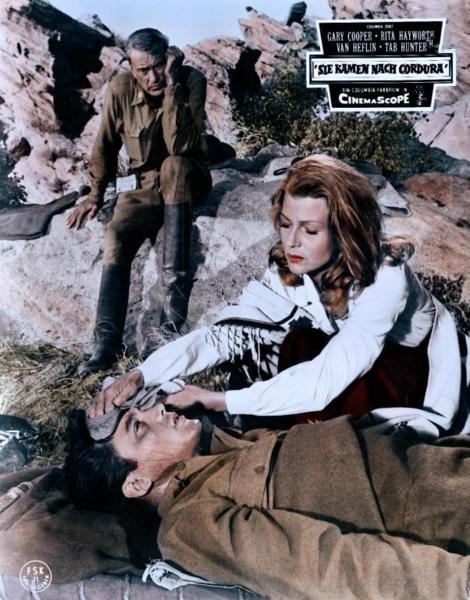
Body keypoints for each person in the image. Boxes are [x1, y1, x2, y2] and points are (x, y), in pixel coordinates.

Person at [88, 155, 470, 439]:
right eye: (286, 225)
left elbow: (326, 379)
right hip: (358, 372)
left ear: (345, 231)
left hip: (424, 379)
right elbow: (221, 337)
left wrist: (218, 400)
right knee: (292, 345)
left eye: (310, 230)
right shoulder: (291, 272)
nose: (292, 242)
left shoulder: (384, 277)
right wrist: (144, 374)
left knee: (301, 355)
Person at [65, 403, 470, 600]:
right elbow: (326, 565)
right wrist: (458, 583)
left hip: (444, 469)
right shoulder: (188, 523)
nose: (159, 409)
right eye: (139, 427)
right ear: (136, 484)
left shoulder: (223, 447)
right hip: (439, 519)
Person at [67, 28, 212, 375]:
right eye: (142, 70)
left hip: (188, 177)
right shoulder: (120, 88)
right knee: (116, 234)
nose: (152, 77)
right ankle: (106, 345)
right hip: (144, 185)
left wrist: (173, 86)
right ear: (130, 68)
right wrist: (95, 194)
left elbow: (180, 146)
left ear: (170, 58)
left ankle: (170, 326)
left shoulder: (191, 81)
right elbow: (104, 145)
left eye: (158, 65)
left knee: (174, 165)